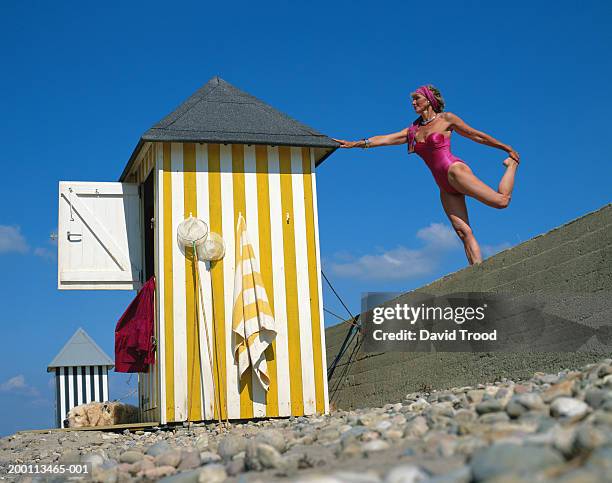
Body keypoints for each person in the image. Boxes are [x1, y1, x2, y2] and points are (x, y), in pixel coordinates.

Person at [333, 85, 520, 265]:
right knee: (463, 231)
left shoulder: (446, 119)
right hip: (443, 185)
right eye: (412, 100)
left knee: (501, 202)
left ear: (429, 100)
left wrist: (506, 148)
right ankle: (477, 272)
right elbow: (384, 139)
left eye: (417, 99)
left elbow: (476, 135)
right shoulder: (412, 131)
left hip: (454, 170)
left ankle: (511, 165)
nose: (413, 103)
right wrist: (354, 144)